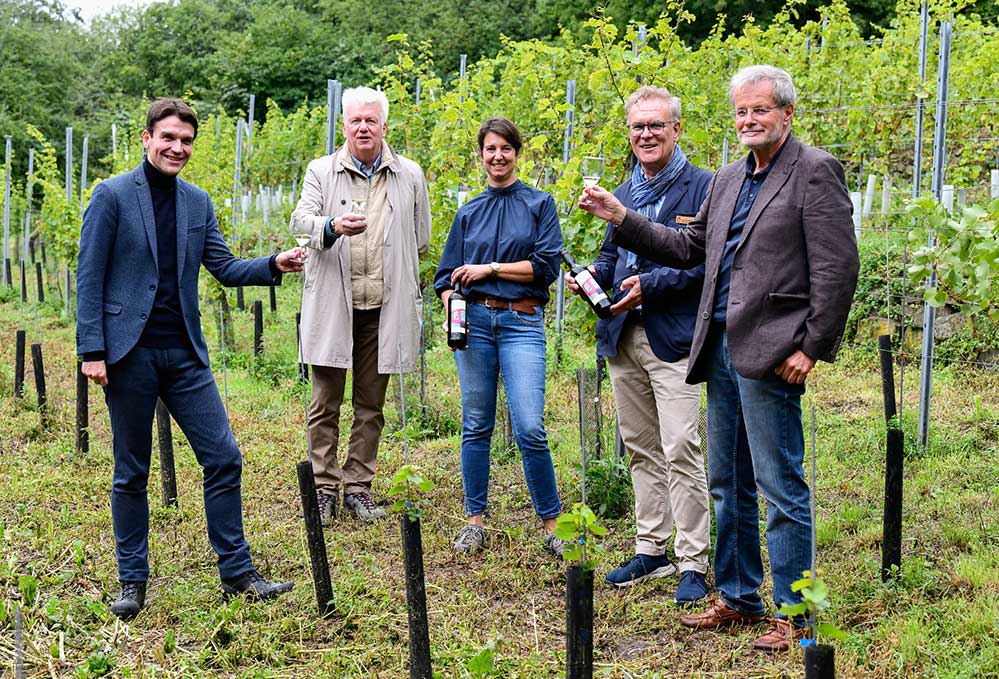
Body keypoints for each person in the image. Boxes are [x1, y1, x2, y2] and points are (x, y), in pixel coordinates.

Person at [579, 65, 859, 652]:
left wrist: (811, 346)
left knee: (780, 484)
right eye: (741, 112)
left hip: (773, 348)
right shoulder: (729, 178)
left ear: (786, 114)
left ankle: (797, 613)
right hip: (720, 345)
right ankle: (737, 596)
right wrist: (621, 217)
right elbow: (688, 247)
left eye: (760, 110)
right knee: (728, 482)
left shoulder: (814, 171)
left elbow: (837, 267)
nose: (749, 120)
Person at [77, 98, 302, 620]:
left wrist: (274, 263)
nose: (177, 148)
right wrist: (92, 350)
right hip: (128, 353)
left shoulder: (197, 202)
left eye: (186, 141)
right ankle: (132, 580)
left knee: (223, 457)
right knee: (131, 470)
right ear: (147, 138)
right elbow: (89, 276)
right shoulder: (112, 195)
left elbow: (223, 267)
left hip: (184, 354)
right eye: (169, 138)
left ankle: (238, 574)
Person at [566, 86, 712, 602]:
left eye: (655, 125)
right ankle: (652, 548)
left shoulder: (704, 188)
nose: (645, 134)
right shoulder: (624, 191)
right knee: (640, 446)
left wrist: (651, 286)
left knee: (681, 446)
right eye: (637, 126)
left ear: (676, 129)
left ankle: (693, 559)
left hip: (673, 337)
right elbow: (613, 258)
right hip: (623, 335)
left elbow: (705, 267)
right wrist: (591, 277)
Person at [291, 87, 431, 524]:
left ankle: (358, 487)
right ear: (344, 126)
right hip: (335, 304)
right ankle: (324, 487)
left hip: (382, 309)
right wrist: (332, 226)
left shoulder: (409, 174)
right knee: (324, 404)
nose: (364, 127)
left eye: (371, 120)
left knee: (371, 405)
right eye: (356, 120)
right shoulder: (321, 171)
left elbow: (421, 238)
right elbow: (300, 223)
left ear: (384, 126)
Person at [434, 117, 564, 558]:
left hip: (521, 322)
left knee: (529, 426)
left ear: (517, 153)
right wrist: (452, 306)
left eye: (506, 148)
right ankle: (474, 522)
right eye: (490, 149)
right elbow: (444, 278)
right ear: (481, 155)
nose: (498, 156)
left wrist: (489, 269)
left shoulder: (539, 204)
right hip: (475, 325)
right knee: (476, 424)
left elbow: (546, 267)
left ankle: (552, 525)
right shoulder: (468, 212)